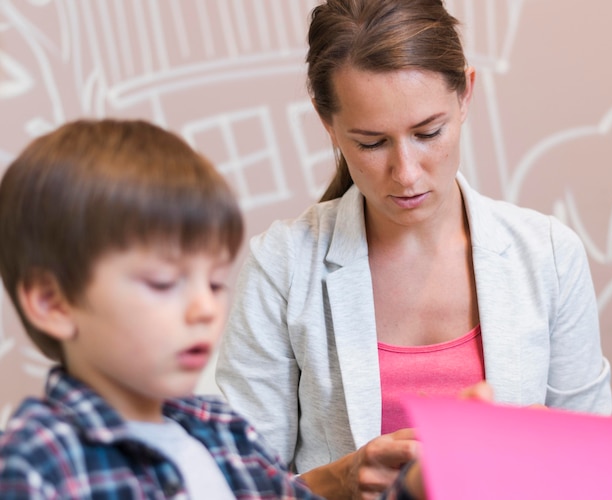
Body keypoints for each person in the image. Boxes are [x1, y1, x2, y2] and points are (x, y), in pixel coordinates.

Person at [215, 0, 612, 498]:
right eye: (371, 143)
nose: (405, 173)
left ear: (466, 94)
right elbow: (234, 487)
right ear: (326, 120)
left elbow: (600, 480)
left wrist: (549, 454)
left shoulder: (549, 255)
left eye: (429, 133)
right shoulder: (282, 266)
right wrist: (335, 481)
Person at [0, 118, 431, 499]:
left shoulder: (222, 432)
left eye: (213, 283)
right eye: (164, 283)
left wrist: (415, 484)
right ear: (52, 303)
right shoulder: (39, 460)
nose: (205, 309)